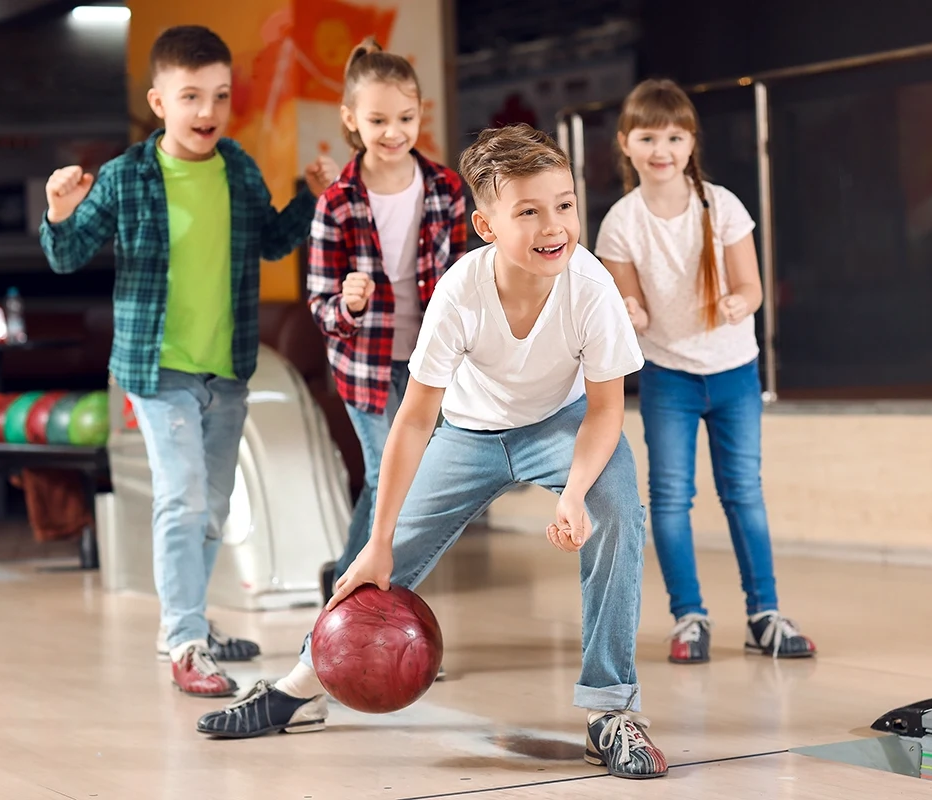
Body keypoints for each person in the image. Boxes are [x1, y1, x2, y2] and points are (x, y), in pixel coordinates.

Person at [195, 124, 669, 781]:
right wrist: (381, 537)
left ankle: (611, 710)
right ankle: (300, 689)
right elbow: (415, 420)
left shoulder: (590, 289)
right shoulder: (460, 292)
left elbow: (607, 410)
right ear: (484, 225)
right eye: (527, 211)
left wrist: (574, 491)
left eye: (563, 205)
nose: (552, 225)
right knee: (376, 563)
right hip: (468, 433)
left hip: (562, 426)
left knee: (617, 509)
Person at [39, 25, 337, 697]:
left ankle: (189, 620)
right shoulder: (127, 176)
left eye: (220, 96)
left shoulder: (236, 167)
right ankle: (185, 641)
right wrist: (60, 213)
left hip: (226, 370)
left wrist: (311, 197)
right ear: (160, 101)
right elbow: (66, 255)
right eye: (191, 96)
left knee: (212, 505)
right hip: (155, 368)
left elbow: (269, 241)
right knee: (182, 496)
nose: (207, 111)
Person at [594, 78, 815, 664]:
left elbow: (753, 287)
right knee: (669, 498)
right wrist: (631, 311)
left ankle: (763, 614)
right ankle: (688, 617)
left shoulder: (723, 206)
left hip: (735, 372)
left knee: (743, 492)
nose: (661, 148)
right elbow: (629, 302)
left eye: (674, 136)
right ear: (625, 144)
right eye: (647, 137)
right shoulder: (621, 221)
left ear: (691, 143)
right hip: (668, 376)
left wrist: (743, 301)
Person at [307, 37, 467, 615]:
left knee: (405, 485)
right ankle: (368, 611)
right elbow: (320, 303)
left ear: (421, 113)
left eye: (405, 117)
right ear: (351, 119)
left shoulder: (446, 189)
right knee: (389, 481)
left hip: (431, 362)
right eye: (377, 119)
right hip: (366, 367)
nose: (394, 131)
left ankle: (346, 588)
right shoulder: (337, 202)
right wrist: (347, 304)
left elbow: (466, 279)